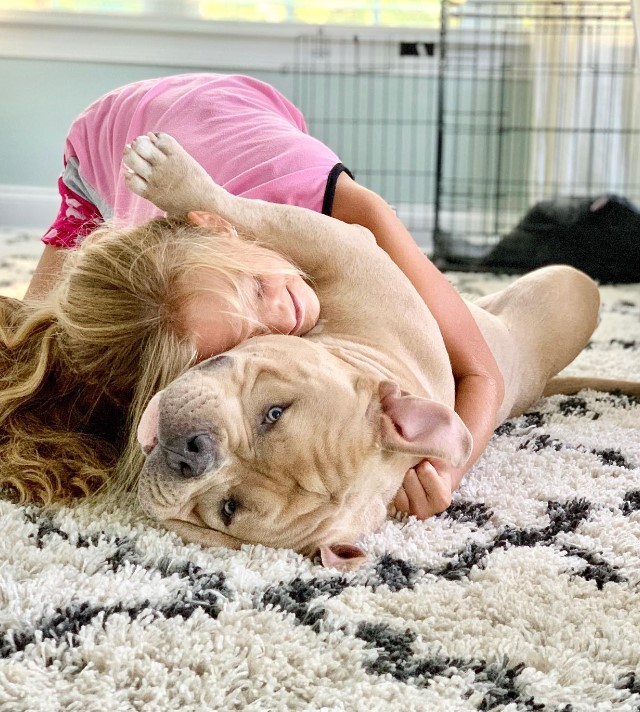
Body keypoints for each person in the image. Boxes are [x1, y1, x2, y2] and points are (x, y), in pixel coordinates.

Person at [21, 73, 504, 518]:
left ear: (222, 229)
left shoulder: (351, 221)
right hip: (101, 160)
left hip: (215, 108)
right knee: (43, 345)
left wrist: (446, 474)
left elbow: (481, 373)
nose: (284, 324)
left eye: (255, 290)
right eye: (239, 347)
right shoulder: (189, 298)